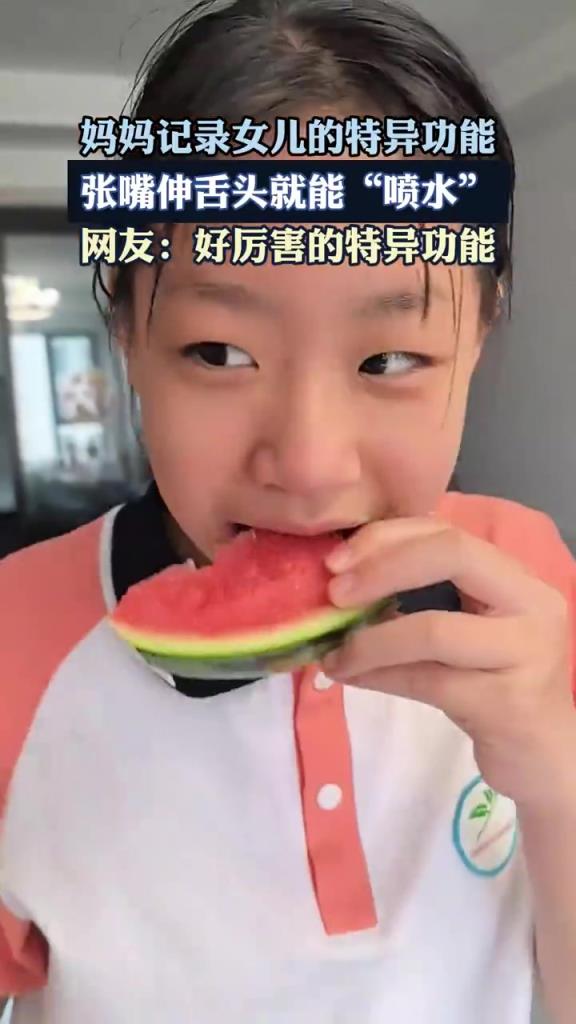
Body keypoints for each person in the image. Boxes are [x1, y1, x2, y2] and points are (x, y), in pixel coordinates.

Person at [1, 1, 575, 1022]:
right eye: (219, 353)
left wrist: (558, 783)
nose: (308, 467)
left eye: (388, 360)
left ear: (480, 336)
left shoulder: (530, 584)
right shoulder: (13, 641)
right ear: (127, 332)